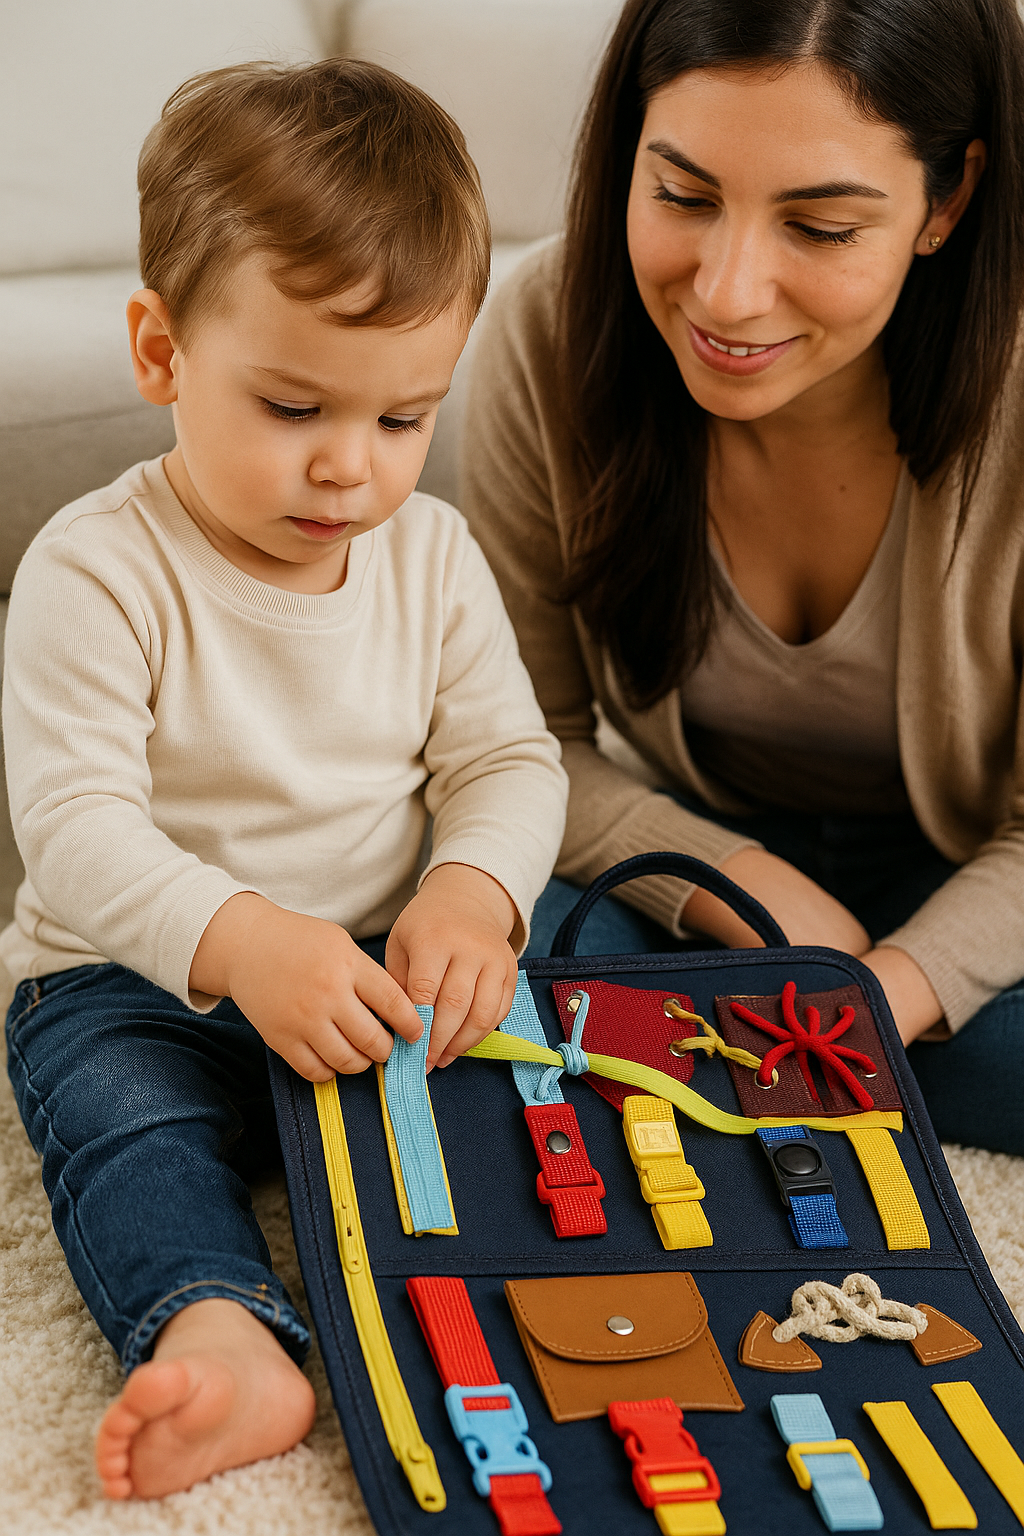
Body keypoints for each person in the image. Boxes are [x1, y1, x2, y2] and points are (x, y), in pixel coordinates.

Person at [2, 59, 567, 1500]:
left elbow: (505, 758)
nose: (349, 472)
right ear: (159, 349)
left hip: (379, 967)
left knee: (545, 994)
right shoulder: (95, 571)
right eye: (294, 406)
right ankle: (218, 1328)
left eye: (399, 420)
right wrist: (243, 941)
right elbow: (74, 833)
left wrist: (469, 887)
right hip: (139, 980)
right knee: (118, 1119)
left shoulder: (431, 559)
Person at [462, 0, 1024, 1155]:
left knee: (584, 1041)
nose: (725, 293)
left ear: (948, 200)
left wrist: (881, 998)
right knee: (463, 967)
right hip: (684, 860)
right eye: (681, 195)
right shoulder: (548, 331)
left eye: (818, 228)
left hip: (980, 873)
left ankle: (739, 1054)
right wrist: (734, 883)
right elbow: (516, 744)